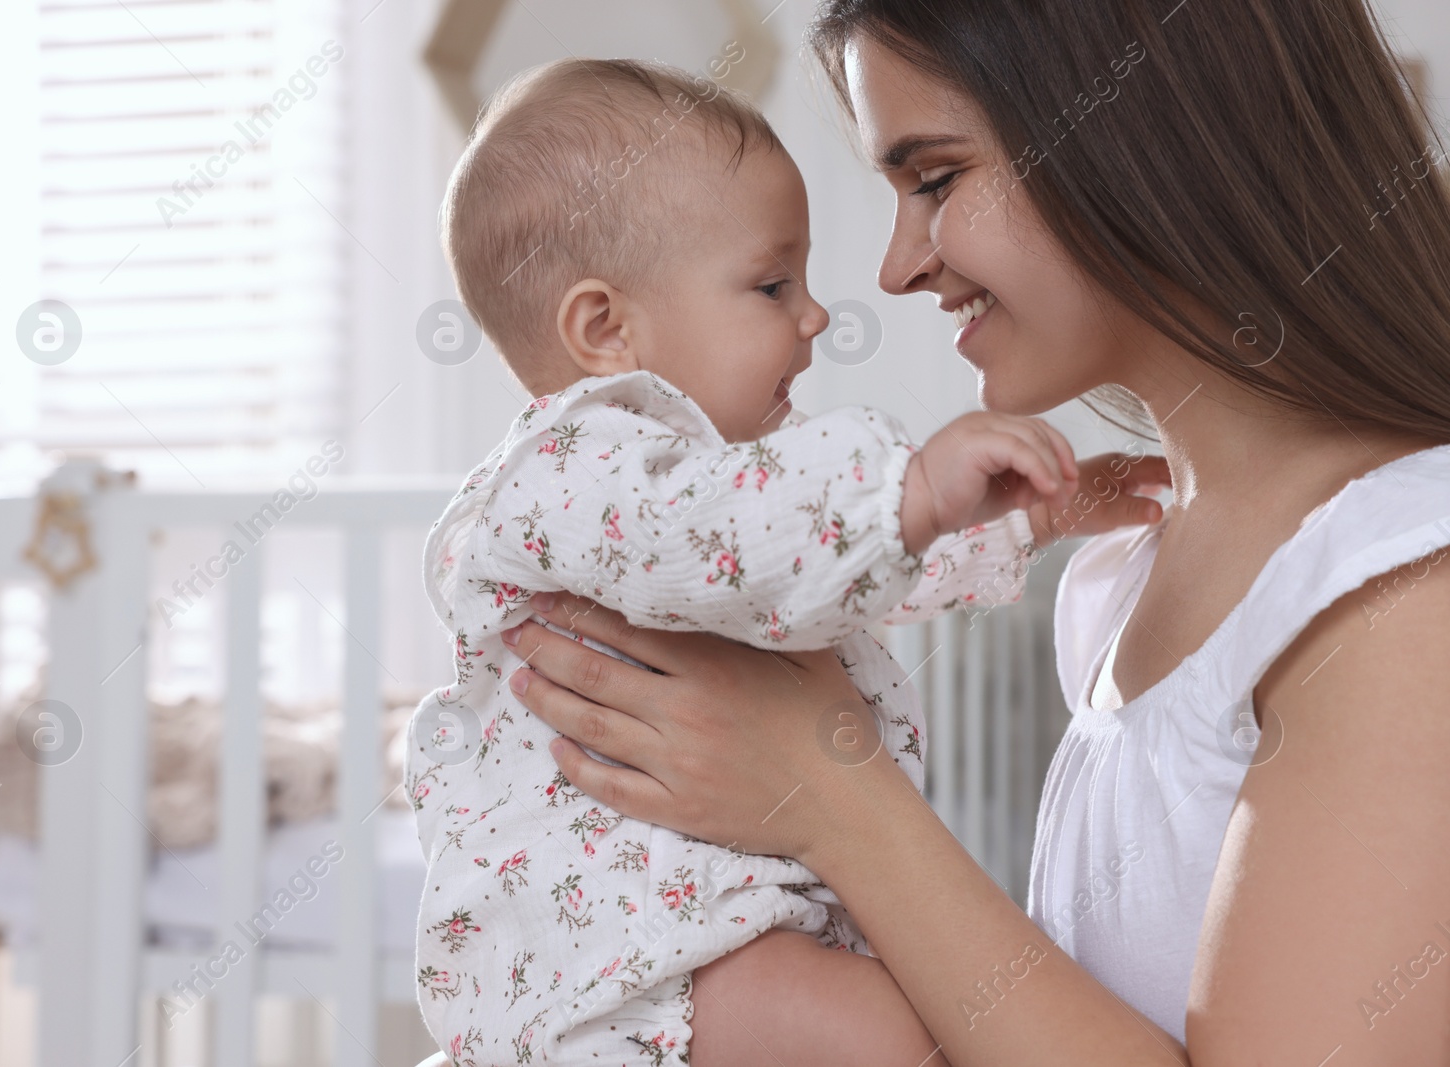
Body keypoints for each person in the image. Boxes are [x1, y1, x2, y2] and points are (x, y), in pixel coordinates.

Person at [496, 2, 1450, 1064]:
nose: (895, 268)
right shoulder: (1132, 576)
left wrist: (834, 797)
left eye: (935, 180)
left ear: (1138, 137)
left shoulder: (1402, 592)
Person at [408, 57, 1168, 1066]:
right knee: (903, 1033)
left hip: (709, 931)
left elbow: (820, 578)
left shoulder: (728, 498)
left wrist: (1025, 520)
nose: (813, 316)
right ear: (604, 328)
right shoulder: (576, 468)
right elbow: (740, 538)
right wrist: (914, 490)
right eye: (771, 284)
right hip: (628, 961)